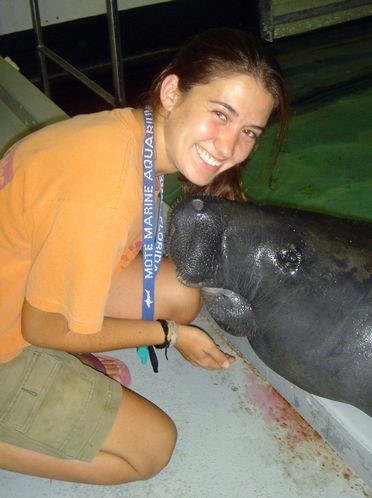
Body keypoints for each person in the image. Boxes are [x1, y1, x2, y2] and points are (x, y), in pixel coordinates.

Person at [0, 27, 288, 485]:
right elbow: (43, 327)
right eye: (220, 114)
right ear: (172, 91)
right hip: (12, 336)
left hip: (20, 283)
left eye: (248, 131)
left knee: (178, 292)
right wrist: (169, 335)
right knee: (151, 449)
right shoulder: (105, 191)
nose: (229, 148)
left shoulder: (129, 134)